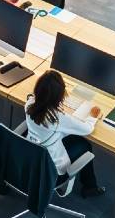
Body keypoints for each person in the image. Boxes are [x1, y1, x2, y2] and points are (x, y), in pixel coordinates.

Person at [25, 70, 105, 198]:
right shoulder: (57, 118)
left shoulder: (29, 104)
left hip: (29, 159)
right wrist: (92, 117)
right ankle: (90, 187)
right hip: (51, 172)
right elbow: (87, 129)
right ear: (58, 96)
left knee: (72, 138)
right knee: (85, 145)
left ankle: (90, 186)